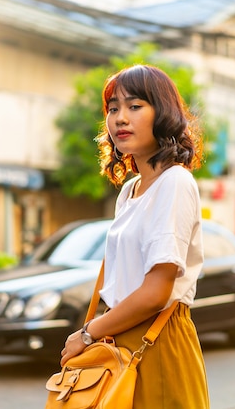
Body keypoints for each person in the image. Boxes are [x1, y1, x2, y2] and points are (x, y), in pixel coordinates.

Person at [60, 64, 209, 408]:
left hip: (159, 338)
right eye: (113, 109)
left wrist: (87, 333)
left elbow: (156, 292)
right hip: (118, 336)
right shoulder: (130, 191)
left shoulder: (175, 182)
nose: (120, 118)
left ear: (164, 113)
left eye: (135, 106)